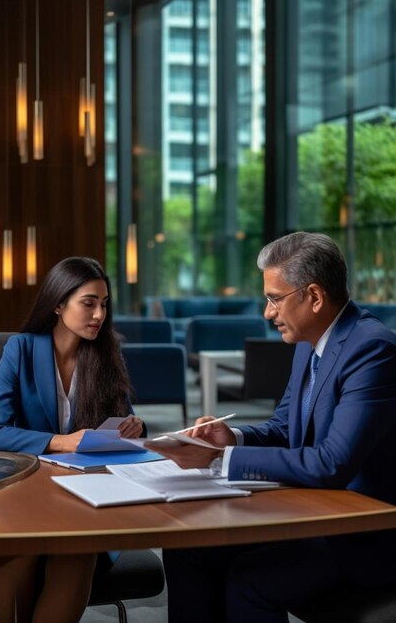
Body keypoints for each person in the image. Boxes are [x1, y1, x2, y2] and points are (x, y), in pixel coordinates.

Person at [146, 232, 396, 623]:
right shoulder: (308, 343)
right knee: (188, 549)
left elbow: (332, 463)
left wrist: (221, 459)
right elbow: (284, 425)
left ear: (313, 297)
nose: (267, 312)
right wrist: (233, 437)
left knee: (250, 582)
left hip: (361, 537)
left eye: (274, 298)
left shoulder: (372, 350)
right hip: (310, 514)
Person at [0, 256, 144, 623]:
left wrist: (134, 426)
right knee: (20, 546)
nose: (99, 314)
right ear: (57, 304)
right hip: (25, 492)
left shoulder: (106, 351)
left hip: (89, 494)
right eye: (88, 303)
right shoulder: (20, 349)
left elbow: (125, 421)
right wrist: (60, 441)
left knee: (80, 548)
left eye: (104, 304)